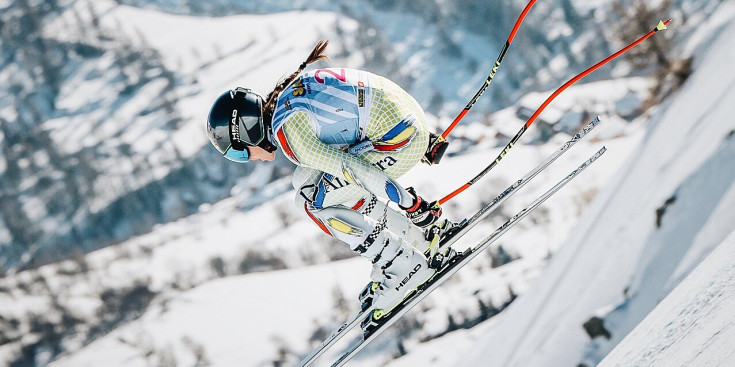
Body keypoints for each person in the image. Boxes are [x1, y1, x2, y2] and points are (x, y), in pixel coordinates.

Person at [205, 40, 453, 329]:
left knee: (314, 203)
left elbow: (356, 170)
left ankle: (405, 267)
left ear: (247, 133)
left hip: (400, 141)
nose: (247, 159)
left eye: (238, 152)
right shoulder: (290, 97)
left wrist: (412, 204)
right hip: (406, 126)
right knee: (304, 183)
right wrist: (419, 136)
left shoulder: (290, 137)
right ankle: (417, 239)